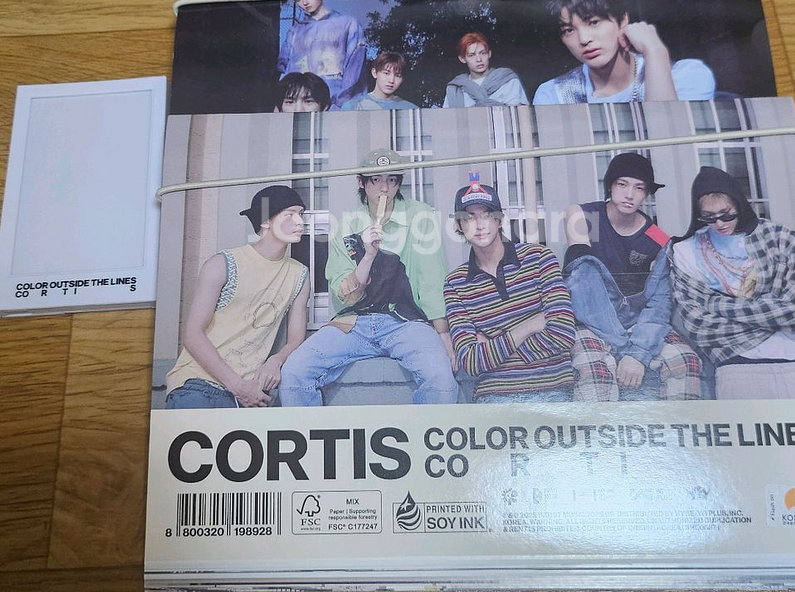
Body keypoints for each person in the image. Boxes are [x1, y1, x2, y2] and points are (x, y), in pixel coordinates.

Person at [279, 149, 459, 406]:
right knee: (295, 372)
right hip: (354, 322)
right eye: (376, 179)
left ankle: (420, 433)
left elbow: (431, 276)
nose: (384, 188)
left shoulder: (420, 216)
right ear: (361, 182)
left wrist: (443, 332)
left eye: (392, 179)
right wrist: (368, 256)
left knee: (441, 379)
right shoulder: (348, 224)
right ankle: (315, 433)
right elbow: (343, 293)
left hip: (406, 321)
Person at [669, 166, 795, 400]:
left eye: (726, 214)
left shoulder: (782, 238)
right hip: (738, 368)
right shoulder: (685, 251)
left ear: (739, 204)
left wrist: (715, 304)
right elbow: (700, 327)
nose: (719, 223)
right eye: (709, 217)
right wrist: (774, 316)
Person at [444, 175, 617, 403]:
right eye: (468, 217)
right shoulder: (455, 283)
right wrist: (529, 326)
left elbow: (563, 333)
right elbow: (470, 362)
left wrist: (494, 348)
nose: (479, 224)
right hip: (494, 397)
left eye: (486, 214)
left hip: (552, 391)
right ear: (459, 225)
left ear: (499, 220)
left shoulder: (539, 258)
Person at [562, 153, 702, 400]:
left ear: (646, 193)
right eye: (622, 184)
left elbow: (660, 301)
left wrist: (637, 352)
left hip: (636, 324)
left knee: (686, 360)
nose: (629, 194)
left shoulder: (658, 238)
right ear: (610, 185)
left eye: (639, 188)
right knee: (594, 370)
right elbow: (584, 286)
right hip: (591, 321)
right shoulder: (583, 216)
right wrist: (630, 351)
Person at [165, 186, 310, 409]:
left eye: (300, 214)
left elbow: (296, 339)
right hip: (197, 383)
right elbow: (192, 334)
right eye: (289, 215)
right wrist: (238, 387)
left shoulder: (299, 274)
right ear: (265, 221)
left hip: (248, 394)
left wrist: (276, 360)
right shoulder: (222, 264)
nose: (300, 221)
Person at [532, 0, 716, 105]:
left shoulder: (687, 75)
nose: (584, 39)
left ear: (622, 21)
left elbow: (670, 144)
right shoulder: (553, 95)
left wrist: (655, 51)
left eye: (594, 22)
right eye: (569, 30)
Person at [277, 0, 366, 108]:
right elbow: (285, 69)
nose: (304, 2)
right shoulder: (295, 31)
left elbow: (355, 66)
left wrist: (342, 102)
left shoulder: (347, 24)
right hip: (299, 103)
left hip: (335, 101)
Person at [443, 32, 529, 108]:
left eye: (483, 53)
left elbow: (518, 115)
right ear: (462, 59)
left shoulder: (507, 80)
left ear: (489, 54)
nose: (479, 59)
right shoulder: (456, 89)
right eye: (471, 55)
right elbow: (448, 118)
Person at [341, 52, 417, 110]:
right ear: (374, 73)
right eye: (386, 73)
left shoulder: (411, 109)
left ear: (402, 79)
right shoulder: (352, 107)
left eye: (397, 75)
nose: (391, 80)